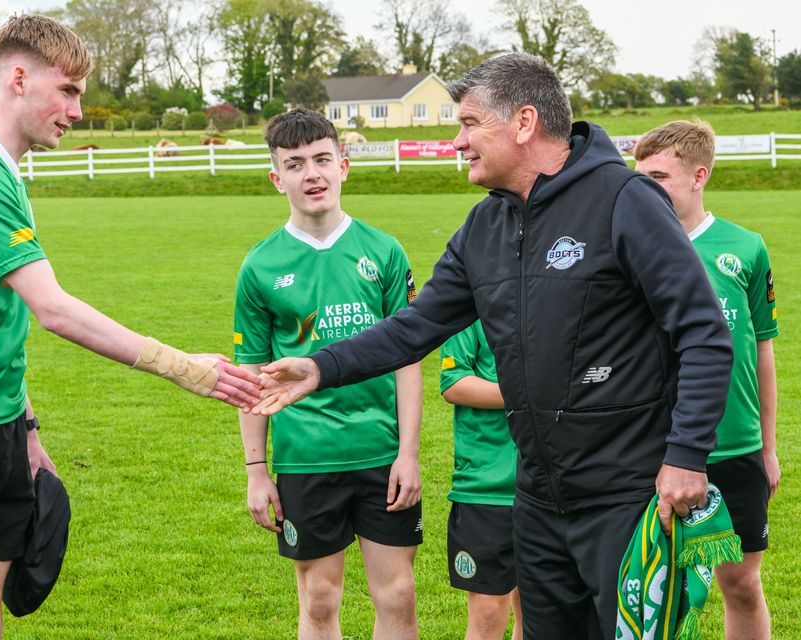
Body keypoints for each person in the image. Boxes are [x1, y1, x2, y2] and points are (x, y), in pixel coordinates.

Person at [252, 53, 733, 640]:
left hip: (628, 497)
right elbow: (413, 327)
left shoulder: (624, 200)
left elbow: (703, 332)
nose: (458, 141)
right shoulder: (484, 228)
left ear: (524, 122)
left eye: (470, 124)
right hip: (534, 499)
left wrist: (686, 455)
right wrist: (319, 367)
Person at [0, 15, 260, 640]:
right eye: (69, 91)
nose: (78, 110)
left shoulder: (2, 171)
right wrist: (186, 368)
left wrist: (24, 426)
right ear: (20, 78)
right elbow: (50, 309)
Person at [234, 108, 423, 640]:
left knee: (398, 594)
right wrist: (255, 469)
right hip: (306, 457)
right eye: (295, 164)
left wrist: (408, 453)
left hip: (382, 454)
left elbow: (408, 357)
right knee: (319, 600)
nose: (311, 174)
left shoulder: (384, 252)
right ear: (277, 179)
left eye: (321, 160)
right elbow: (252, 375)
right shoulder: (260, 266)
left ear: (343, 165)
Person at [634, 120, 778, 640]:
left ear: (699, 176)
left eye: (658, 177)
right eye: (639, 178)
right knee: (651, 588)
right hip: (652, 448)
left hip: (735, 449)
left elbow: (761, 351)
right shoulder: (629, 249)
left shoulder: (745, 248)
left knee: (740, 584)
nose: (644, 190)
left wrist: (767, 447)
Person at [439, 322, 522, 640]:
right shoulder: (470, 301)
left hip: (546, 484)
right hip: (485, 485)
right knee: (488, 615)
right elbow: (453, 382)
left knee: (538, 608)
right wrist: (525, 393)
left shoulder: (552, 291)